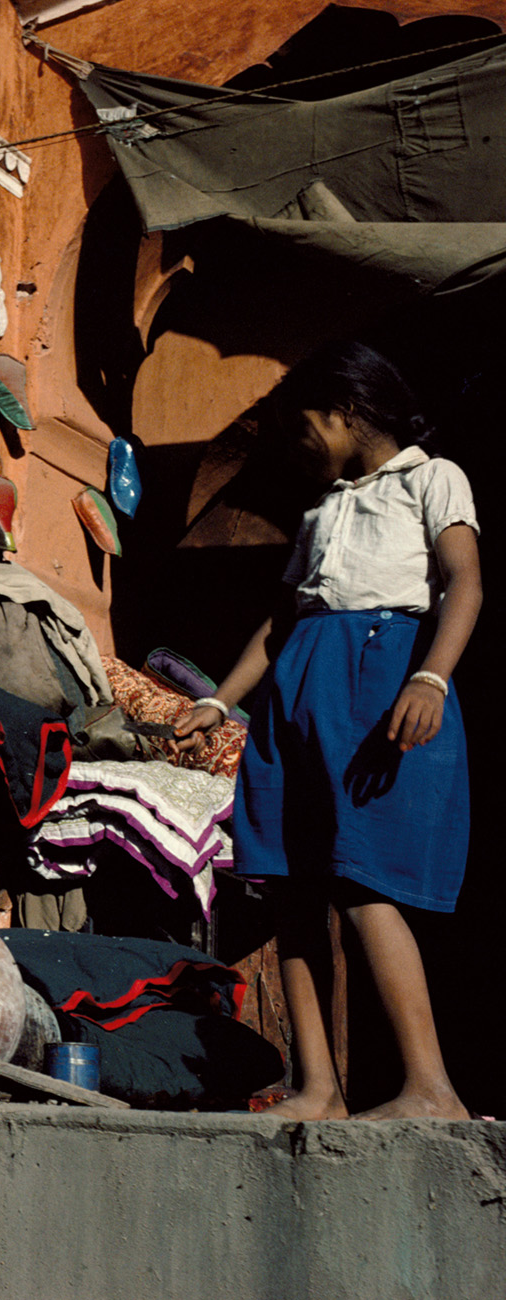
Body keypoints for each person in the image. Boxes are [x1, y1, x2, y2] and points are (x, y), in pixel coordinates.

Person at [173, 340, 479, 1121]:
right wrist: (221, 701)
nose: (297, 446)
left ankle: (430, 1089)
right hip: (299, 691)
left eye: (302, 426)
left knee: (362, 879)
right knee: (291, 886)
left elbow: (465, 582)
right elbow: (282, 623)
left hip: (377, 683)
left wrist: (431, 677)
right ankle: (318, 1089)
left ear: (346, 411)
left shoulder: (432, 478)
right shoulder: (321, 510)